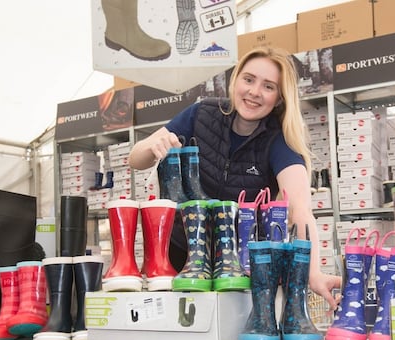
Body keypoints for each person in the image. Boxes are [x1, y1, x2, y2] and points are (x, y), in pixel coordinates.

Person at [129, 46, 341, 309]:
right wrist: (153, 147)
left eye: (268, 86)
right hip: (179, 254)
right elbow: (135, 158)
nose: (254, 92)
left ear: (279, 97)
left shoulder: (278, 140)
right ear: (235, 80)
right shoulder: (201, 114)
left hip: (240, 265)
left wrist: (313, 273)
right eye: (249, 79)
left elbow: (300, 210)